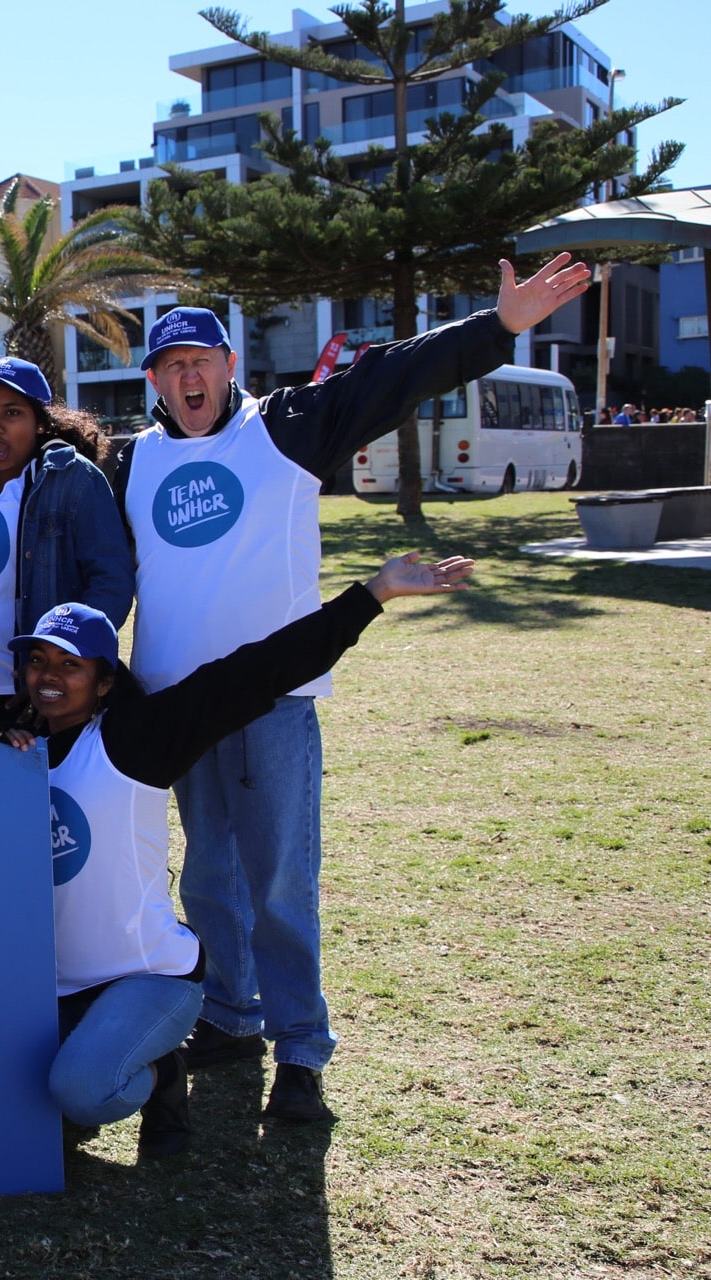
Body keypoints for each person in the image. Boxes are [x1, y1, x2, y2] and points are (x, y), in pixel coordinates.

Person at [112, 253, 590, 1119]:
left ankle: (300, 1050)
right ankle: (229, 1014)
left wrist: (499, 327)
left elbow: (397, 376)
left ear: (229, 368)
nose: (189, 377)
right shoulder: (131, 461)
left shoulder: (289, 428)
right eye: (171, 366)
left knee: (281, 881)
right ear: (153, 379)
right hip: (178, 709)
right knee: (209, 877)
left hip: (275, 701)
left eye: (202, 362)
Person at [5, 550, 475, 1157]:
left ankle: (162, 1075)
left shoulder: (135, 737)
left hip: (146, 978)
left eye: (71, 665)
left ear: (103, 683)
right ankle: (97, 1065)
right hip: (56, 987)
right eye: (38, 660)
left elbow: (255, 673)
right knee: (12, 1096)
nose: (49, 674)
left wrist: (372, 594)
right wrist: (4, 753)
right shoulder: (12, 753)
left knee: (81, 1090)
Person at [0, 356, 134, 740]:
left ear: (40, 422)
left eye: (12, 412)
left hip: (35, 698)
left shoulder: (72, 478)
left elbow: (111, 581)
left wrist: (59, 669)